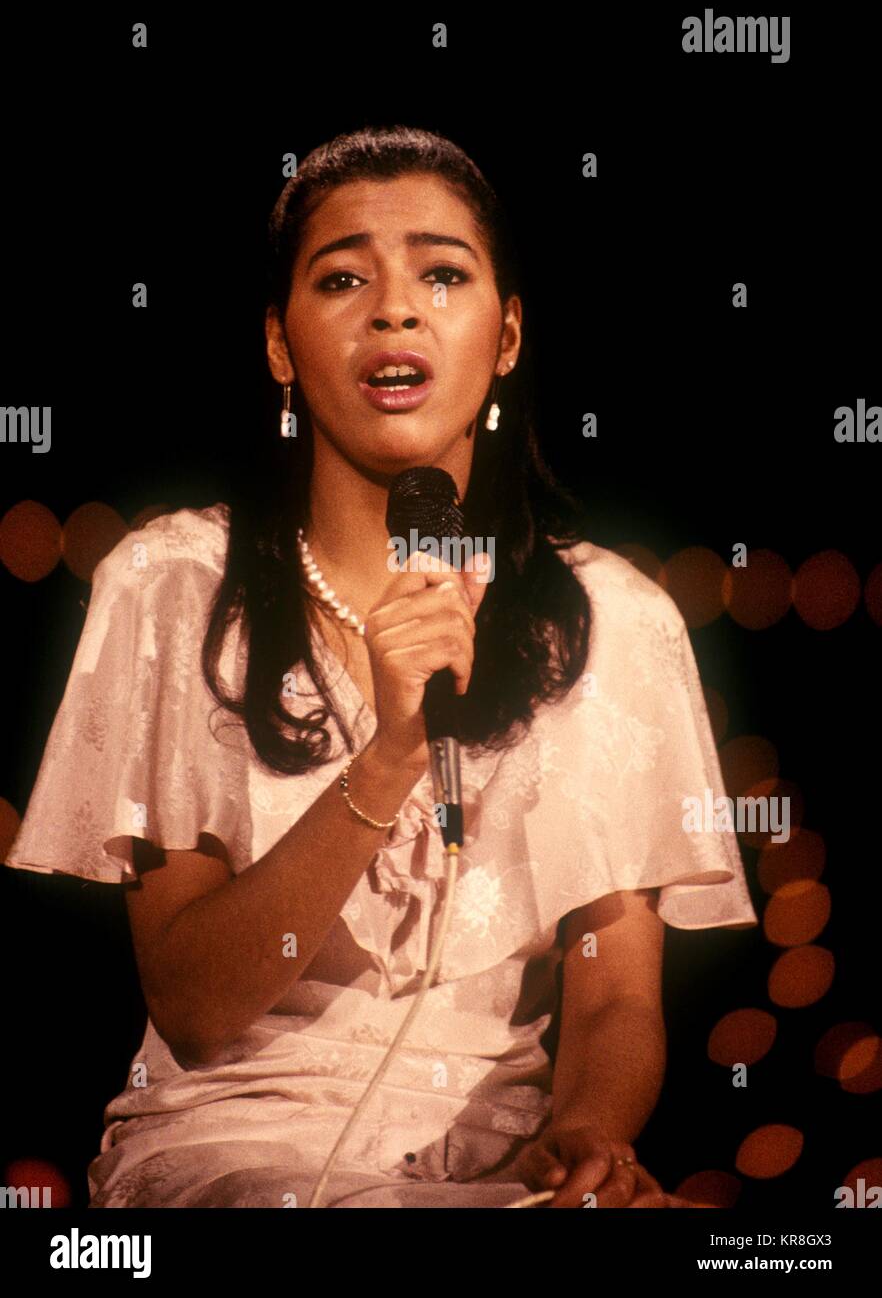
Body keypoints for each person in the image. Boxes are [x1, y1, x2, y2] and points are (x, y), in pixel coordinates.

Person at [4, 124, 758, 1208]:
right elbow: (196, 1004)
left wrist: (589, 1135)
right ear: (278, 342)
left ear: (504, 337)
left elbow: (613, 995)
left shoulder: (616, 619)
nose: (396, 308)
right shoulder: (169, 582)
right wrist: (393, 753)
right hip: (241, 1147)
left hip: (503, 1163)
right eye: (344, 277)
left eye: (442, 274)